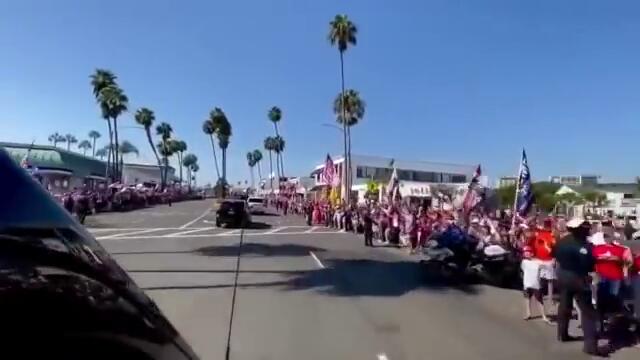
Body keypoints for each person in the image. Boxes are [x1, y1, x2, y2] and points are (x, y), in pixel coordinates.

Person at [552, 218, 603, 356]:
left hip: (562, 275)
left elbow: (554, 254)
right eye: (586, 228)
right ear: (580, 230)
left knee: (564, 305)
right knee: (588, 312)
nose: (588, 230)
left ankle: (562, 334)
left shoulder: (561, 242)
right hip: (578, 277)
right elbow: (589, 264)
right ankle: (590, 346)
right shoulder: (585, 246)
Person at [592, 221, 628, 332]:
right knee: (601, 299)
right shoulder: (597, 248)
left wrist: (617, 259)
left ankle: (612, 321)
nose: (607, 238)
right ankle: (600, 322)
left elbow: (626, 263)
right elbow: (592, 260)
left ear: (612, 237)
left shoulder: (619, 249)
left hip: (615, 277)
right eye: (605, 236)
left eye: (608, 236)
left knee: (614, 299)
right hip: (601, 277)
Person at [521, 246, 552, 323]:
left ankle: (543, 316)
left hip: (536, 284)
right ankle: (528, 314)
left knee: (539, 300)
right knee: (527, 299)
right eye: (525, 252)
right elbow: (524, 269)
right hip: (526, 284)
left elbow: (546, 265)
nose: (527, 253)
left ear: (531, 253)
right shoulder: (524, 262)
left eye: (528, 252)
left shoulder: (538, 262)